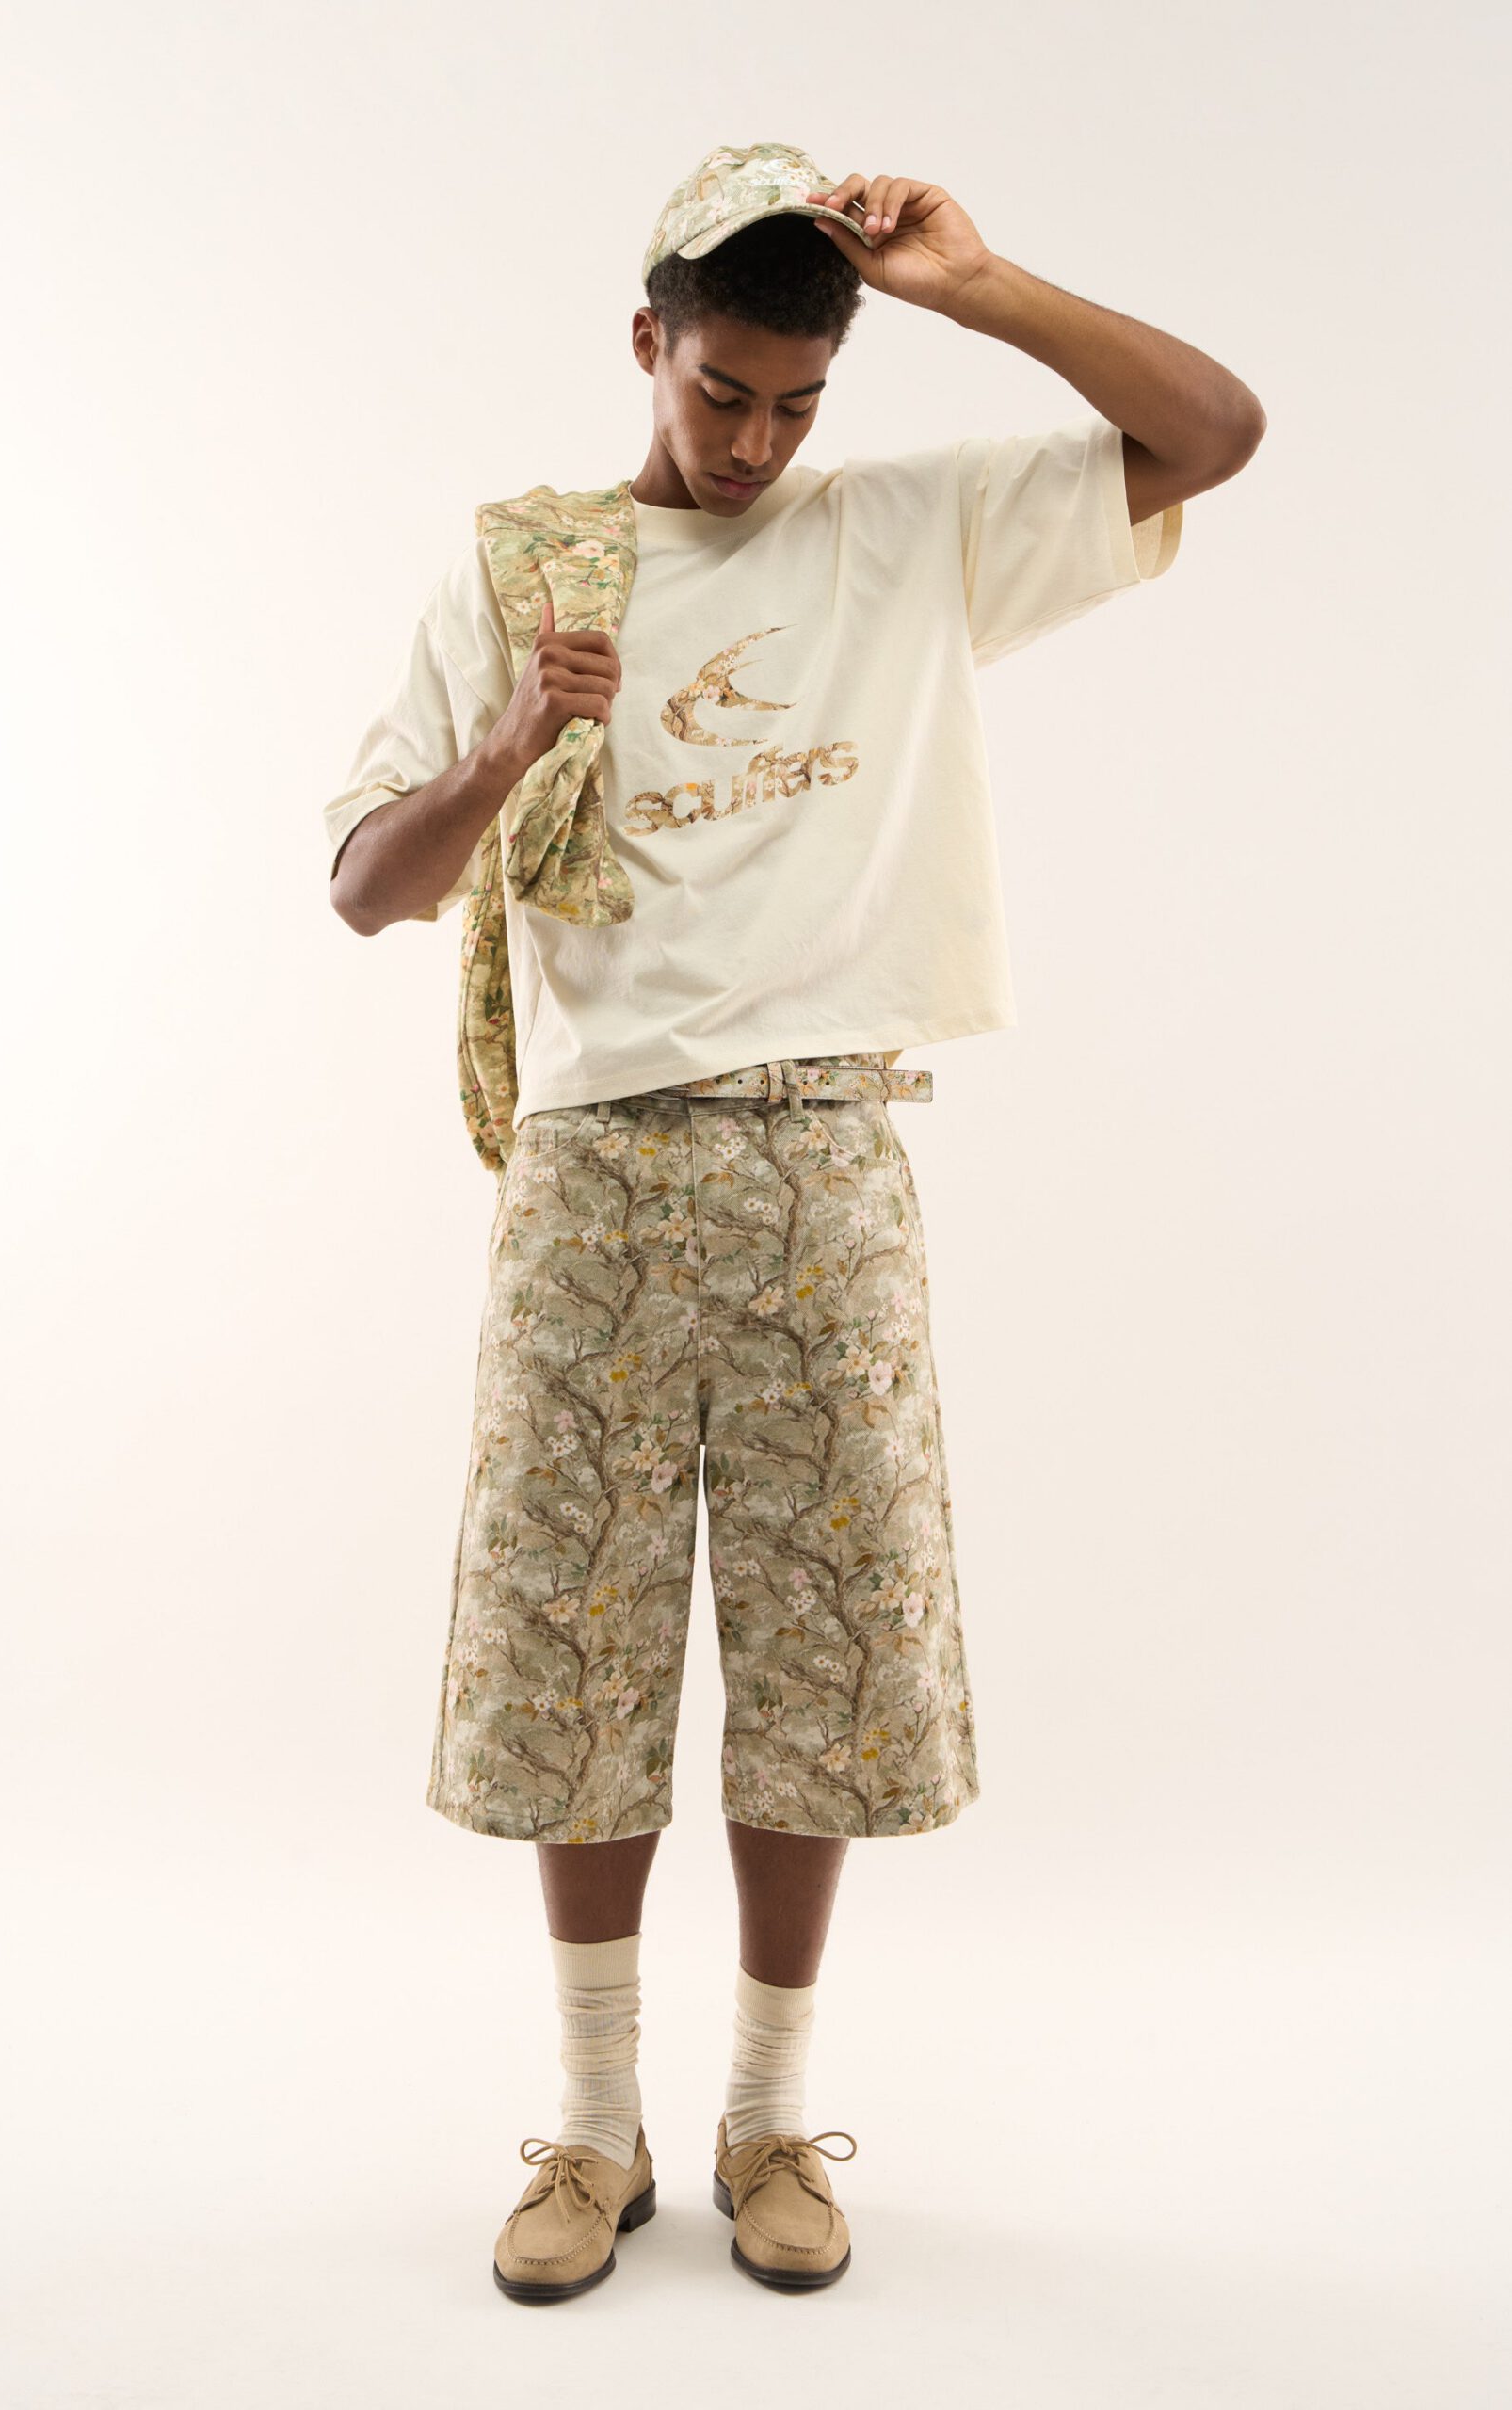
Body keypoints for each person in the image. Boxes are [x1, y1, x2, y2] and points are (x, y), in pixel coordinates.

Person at [323, 141, 1264, 2302]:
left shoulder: (903, 535)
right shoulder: (527, 566)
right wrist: (505, 743)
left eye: (793, 402)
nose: (753, 442)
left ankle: (766, 2113)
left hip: (823, 1147)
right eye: (719, 391)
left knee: (826, 1642)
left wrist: (975, 284)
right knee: (570, 1639)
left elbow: (1211, 431)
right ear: (644, 342)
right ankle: (592, 2125)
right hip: (593, 1166)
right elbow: (366, 884)